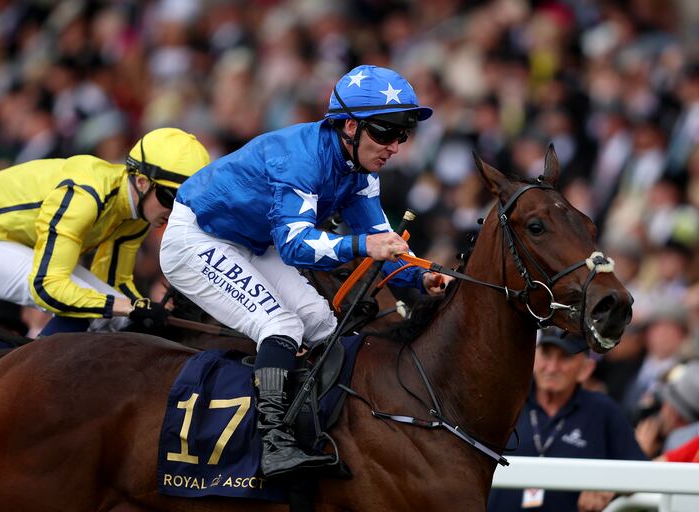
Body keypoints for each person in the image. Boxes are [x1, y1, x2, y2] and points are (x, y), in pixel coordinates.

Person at [160, 64, 452, 478]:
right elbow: (297, 246)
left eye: (403, 134)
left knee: (321, 324)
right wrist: (364, 246)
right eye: (385, 132)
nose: (395, 146)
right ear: (349, 126)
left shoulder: (360, 172)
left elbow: (385, 241)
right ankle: (274, 445)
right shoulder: (299, 159)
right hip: (198, 237)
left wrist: (422, 277)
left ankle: (316, 432)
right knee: (280, 325)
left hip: (253, 241)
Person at [0, 128, 210, 335]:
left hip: (5, 241)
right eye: (170, 198)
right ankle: (30, 382)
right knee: (91, 303)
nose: (173, 213)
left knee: (108, 308)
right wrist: (131, 308)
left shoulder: (137, 212)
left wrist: (146, 309)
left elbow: (112, 284)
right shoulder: (86, 196)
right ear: (140, 182)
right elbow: (48, 288)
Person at [488, 327, 646, 512]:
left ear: (586, 369)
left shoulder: (604, 412)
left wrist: (608, 487)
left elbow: (639, 472)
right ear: (533, 357)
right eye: (546, 355)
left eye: (564, 357)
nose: (552, 367)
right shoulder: (504, 403)